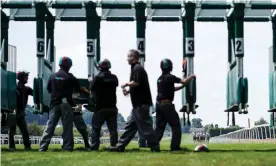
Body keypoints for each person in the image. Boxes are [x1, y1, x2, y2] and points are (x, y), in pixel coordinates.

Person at [110, 49, 160, 152]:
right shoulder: (135, 68)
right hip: (137, 105)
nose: (128, 58)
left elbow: (136, 82)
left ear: (135, 57)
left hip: (141, 104)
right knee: (130, 126)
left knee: (145, 128)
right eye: (128, 56)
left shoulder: (137, 68)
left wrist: (126, 84)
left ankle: (155, 146)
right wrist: (128, 91)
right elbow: (138, 85)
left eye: (130, 56)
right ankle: (120, 146)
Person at [39, 56, 89, 152]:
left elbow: (49, 89)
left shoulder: (53, 76)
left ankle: (42, 147)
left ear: (59, 65)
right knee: (67, 127)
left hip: (54, 104)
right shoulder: (71, 77)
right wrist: (87, 92)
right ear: (69, 66)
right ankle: (68, 147)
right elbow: (79, 90)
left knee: (50, 126)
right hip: (66, 105)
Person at [155, 58, 195, 151]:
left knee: (159, 128)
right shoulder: (170, 77)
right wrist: (191, 76)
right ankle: (175, 147)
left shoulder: (160, 79)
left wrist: (181, 87)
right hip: (167, 105)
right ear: (170, 67)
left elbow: (170, 89)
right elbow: (184, 81)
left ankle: (154, 146)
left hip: (158, 105)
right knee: (176, 126)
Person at [89, 59, 119, 150]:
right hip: (112, 107)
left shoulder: (97, 78)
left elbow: (91, 88)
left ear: (99, 67)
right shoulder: (114, 78)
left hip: (100, 107)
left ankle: (94, 146)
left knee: (95, 128)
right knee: (113, 129)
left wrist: (91, 80)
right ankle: (114, 146)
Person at [9, 71, 33, 151]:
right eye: (26, 77)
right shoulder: (13, 88)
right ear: (21, 78)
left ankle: (27, 146)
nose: (27, 78)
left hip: (21, 113)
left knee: (25, 131)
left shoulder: (27, 89)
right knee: (12, 131)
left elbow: (35, 93)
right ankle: (12, 147)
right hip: (13, 112)